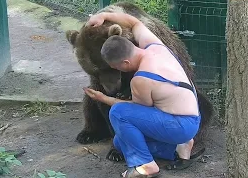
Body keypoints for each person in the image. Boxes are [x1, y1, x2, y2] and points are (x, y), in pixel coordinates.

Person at [82, 12, 202, 178]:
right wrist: (102, 16)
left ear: (125, 63)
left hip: (180, 125)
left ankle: (144, 165)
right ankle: (178, 147)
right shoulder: (155, 46)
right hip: (192, 116)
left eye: (116, 67)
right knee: (119, 142)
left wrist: (103, 99)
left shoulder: (141, 80)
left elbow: (134, 111)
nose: (118, 72)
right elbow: (134, 22)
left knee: (118, 113)